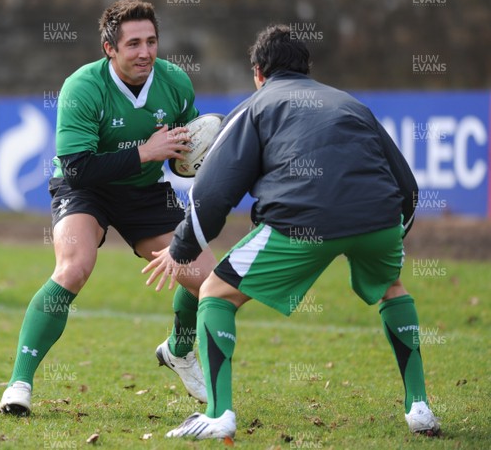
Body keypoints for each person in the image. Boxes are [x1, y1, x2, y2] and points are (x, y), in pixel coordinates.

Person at [143, 24, 441, 440]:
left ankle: (218, 414)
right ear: (306, 68)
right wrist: (393, 233)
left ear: (258, 72)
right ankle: (419, 407)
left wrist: (181, 248)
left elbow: (212, 193)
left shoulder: (256, 105)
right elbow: (407, 187)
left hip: (302, 221)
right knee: (392, 286)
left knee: (215, 293)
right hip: (379, 217)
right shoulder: (352, 104)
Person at [0, 0, 216, 416]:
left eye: (151, 41)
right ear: (109, 49)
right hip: (85, 188)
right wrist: (145, 152)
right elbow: (78, 170)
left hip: (144, 192)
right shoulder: (83, 87)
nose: (145, 52)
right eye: (133, 43)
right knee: (74, 267)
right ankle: (19, 382)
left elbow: (185, 154)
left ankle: (179, 350)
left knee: (207, 282)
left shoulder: (174, 82)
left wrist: (187, 155)